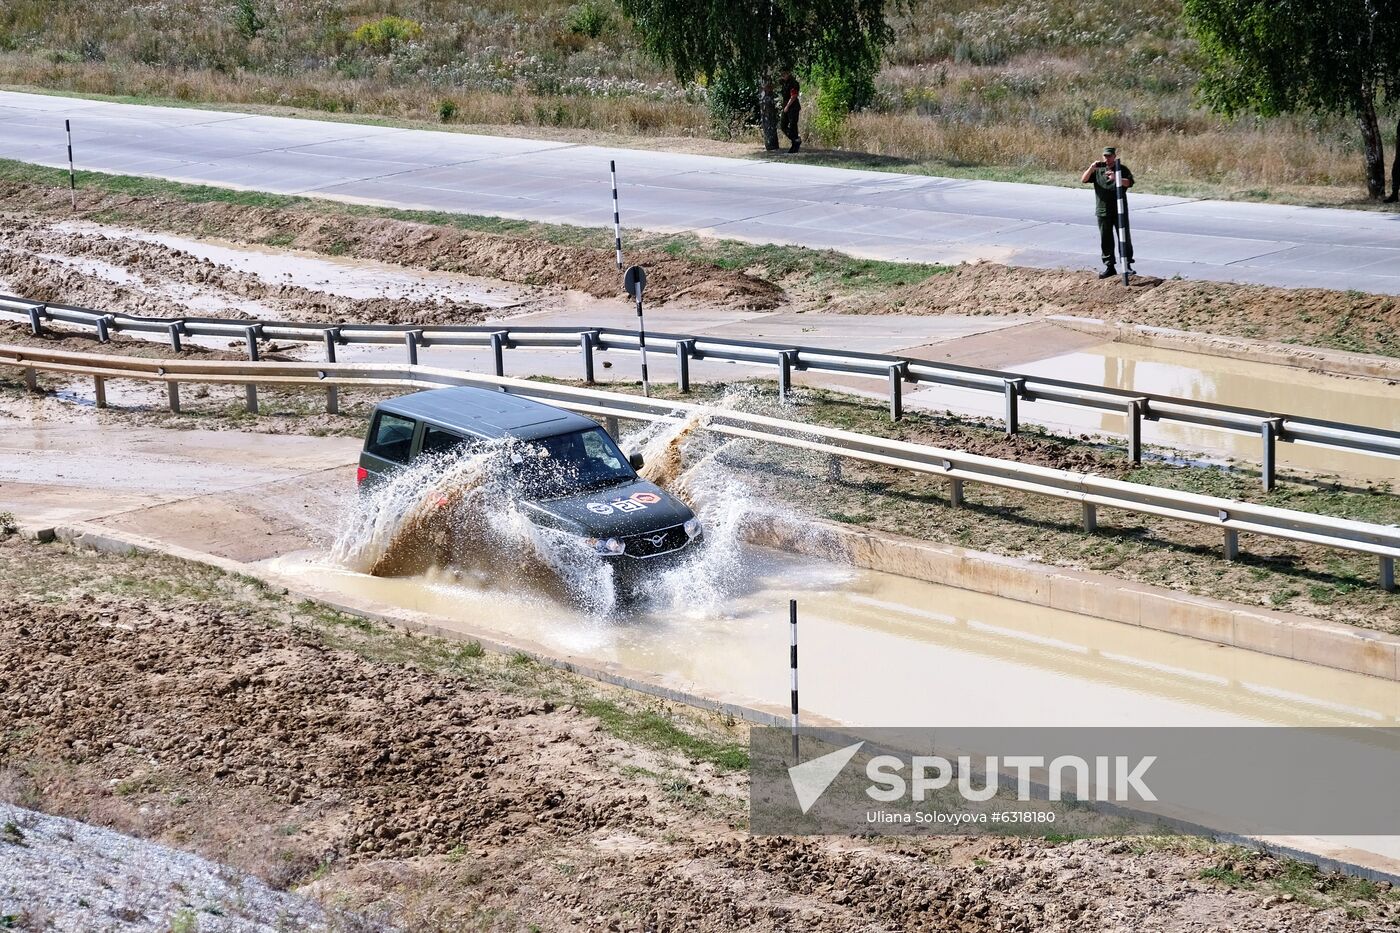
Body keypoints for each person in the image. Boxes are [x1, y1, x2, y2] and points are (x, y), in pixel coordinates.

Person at [1081, 146, 1134, 278]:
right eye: (1105, 156)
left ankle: (1127, 264)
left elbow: (1129, 182)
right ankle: (1109, 266)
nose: (1107, 159)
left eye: (1110, 156)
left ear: (1114, 156)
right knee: (1106, 239)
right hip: (1103, 210)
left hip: (1119, 210)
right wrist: (1091, 168)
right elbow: (1084, 179)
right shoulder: (1099, 170)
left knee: (1124, 237)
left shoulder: (1122, 169)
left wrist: (1117, 178)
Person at [779, 69, 801, 154]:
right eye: (782, 74)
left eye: (784, 74)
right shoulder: (784, 82)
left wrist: (787, 106)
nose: (782, 75)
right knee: (783, 125)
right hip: (786, 107)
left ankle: (794, 147)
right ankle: (796, 140)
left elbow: (794, 96)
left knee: (793, 126)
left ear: (788, 74)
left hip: (793, 107)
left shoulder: (793, 83)